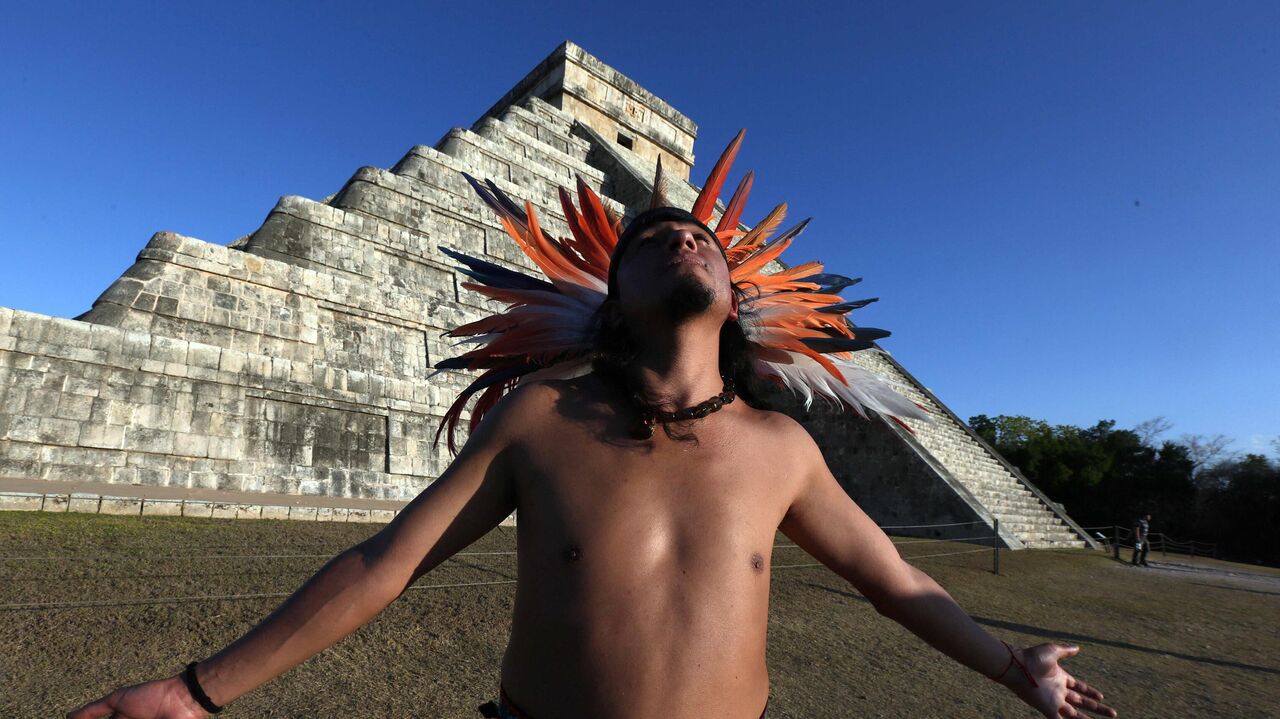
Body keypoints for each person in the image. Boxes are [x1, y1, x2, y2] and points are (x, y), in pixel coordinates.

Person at [69, 133, 1116, 719]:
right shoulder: (539, 419)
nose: (685, 237)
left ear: (738, 294)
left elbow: (898, 582)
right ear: (611, 300)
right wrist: (198, 691)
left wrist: (1005, 664)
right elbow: (386, 562)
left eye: (702, 234)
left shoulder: (780, 448)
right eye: (654, 236)